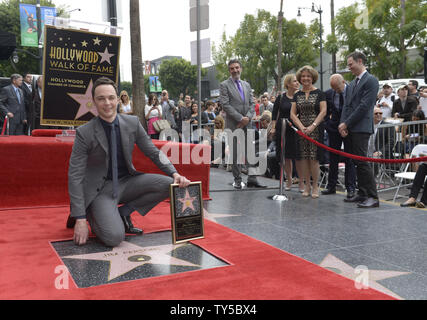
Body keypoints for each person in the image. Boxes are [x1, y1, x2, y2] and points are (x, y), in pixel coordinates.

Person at [67, 77, 190, 247]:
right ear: (94, 101)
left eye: (111, 97)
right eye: (101, 98)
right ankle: (91, 212)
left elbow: (153, 153)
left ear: (118, 99)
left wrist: (174, 173)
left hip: (127, 182)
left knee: (170, 184)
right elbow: (75, 176)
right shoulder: (84, 133)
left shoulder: (132, 123)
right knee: (114, 238)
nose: (107, 103)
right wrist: (80, 218)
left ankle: (123, 212)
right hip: (100, 190)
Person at [339, 51, 379, 208]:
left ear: (360, 61)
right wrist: (342, 124)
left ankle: (373, 196)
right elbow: (346, 106)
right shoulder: (352, 83)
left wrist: (346, 123)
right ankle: (362, 193)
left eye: (351, 64)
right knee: (356, 162)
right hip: (350, 127)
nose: (349, 68)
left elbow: (364, 107)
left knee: (362, 162)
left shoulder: (371, 81)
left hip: (361, 127)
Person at [220, 59, 266, 189]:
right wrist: (240, 118)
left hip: (248, 123)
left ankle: (252, 178)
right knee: (235, 152)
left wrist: (248, 118)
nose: (235, 70)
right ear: (229, 70)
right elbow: (225, 104)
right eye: (232, 68)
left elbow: (252, 103)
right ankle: (238, 179)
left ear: (241, 69)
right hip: (234, 124)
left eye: (237, 67)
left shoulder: (246, 84)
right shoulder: (224, 85)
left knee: (250, 151)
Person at [290, 66, 327, 198]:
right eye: (303, 76)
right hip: (301, 131)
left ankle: (315, 185)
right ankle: (307, 185)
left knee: (314, 159)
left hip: (316, 130)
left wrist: (313, 125)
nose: (306, 78)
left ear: (313, 78)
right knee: (303, 158)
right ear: (300, 78)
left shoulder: (320, 93)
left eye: (308, 76)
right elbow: (293, 114)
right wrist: (301, 127)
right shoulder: (297, 95)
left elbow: (323, 111)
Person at [322, 74, 356, 199]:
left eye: (338, 87)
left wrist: (347, 125)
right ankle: (331, 186)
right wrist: (327, 124)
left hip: (349, 129)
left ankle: (350, 188)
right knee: (333, 158)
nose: (336, 90)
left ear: (343, 82)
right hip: (334, 129)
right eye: (334, 88)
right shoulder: (329, 94)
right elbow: (325, 111)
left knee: (349, 159)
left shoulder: (352, 91)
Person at [271, 74, 304, 191]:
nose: (297, 83)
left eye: (297, 81)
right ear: (288, 84)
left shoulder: (300, 96)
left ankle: (301, 181)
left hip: (296, 129)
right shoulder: (281, 98)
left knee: (298, 157)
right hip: (283, 128)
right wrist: (273, 127)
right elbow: (274, 114)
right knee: (286, 157)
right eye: (294, 81)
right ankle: (289, 179)